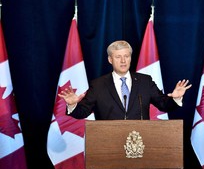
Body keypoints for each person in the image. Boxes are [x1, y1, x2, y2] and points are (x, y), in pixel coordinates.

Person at [58, 40, 192, 120]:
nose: (123, 61)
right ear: (110, 60)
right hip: (109, 144)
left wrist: (175, 98)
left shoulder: (145, 81)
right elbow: (83, 112)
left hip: (140, 143)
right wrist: (72, 105)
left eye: (126, 56)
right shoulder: (98, 85)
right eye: (118, 57)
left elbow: (163, 105)